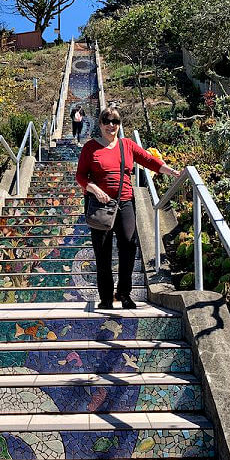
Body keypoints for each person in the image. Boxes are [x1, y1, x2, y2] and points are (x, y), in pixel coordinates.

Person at [76, 108, 183, 309]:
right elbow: (80, 176)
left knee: (128, 246)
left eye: (115, 122)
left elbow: (148, 160)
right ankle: (106, 298)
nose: (111, 125)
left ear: (119, 125)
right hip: (99, 205)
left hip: (125, 203)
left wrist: (171, 171)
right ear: (100, 124)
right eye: (107, 121)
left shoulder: (127, 145)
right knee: (103, 253)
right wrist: (94, 189)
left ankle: (124, 294)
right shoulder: (90, 147)